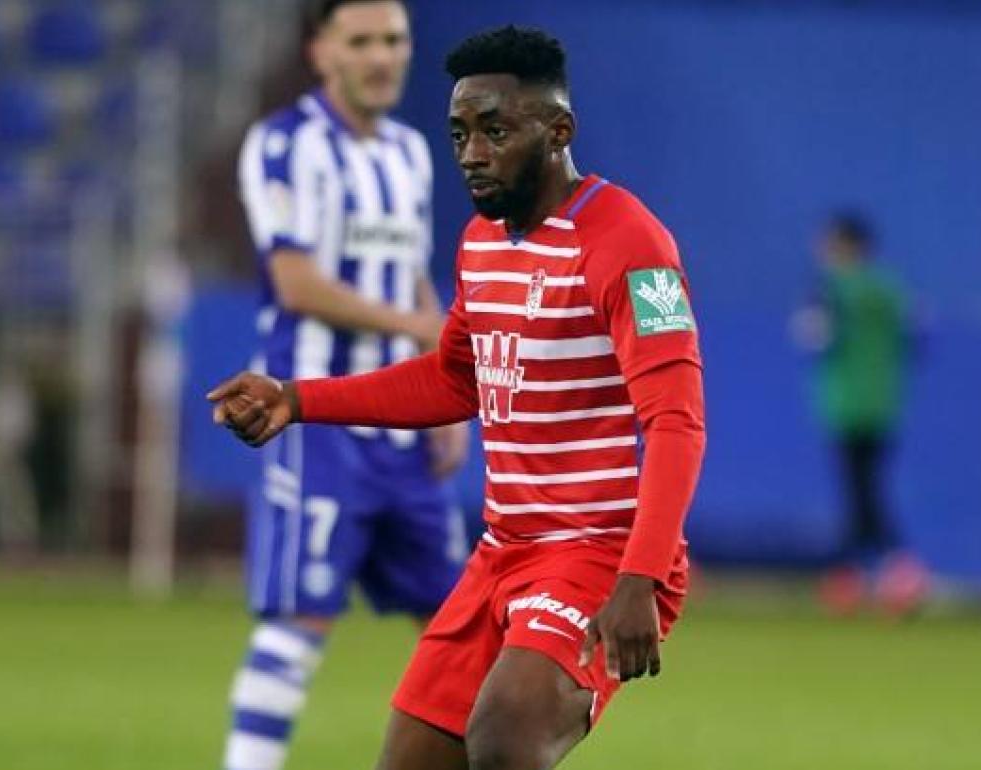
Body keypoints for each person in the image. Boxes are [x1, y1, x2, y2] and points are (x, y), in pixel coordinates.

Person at [212, 25, 707, 770]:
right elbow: (453, 379)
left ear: (558, 131)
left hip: (598, 555)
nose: (472, 153)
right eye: (460, 134)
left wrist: (641, 578)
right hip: (502, 554)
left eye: (495, 131)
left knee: (505, 739)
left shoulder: (628, 243)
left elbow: (676, 421)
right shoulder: (481, 242)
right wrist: (296, 398)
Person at [221, 2, 470, 769]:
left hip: (403, 431)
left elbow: (414, 276)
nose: (382, 56)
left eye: (394, 40)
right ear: (321, 51)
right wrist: (416, 327)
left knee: (464, 626)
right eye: (361, 41)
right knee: (298, 626)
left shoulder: (410, 153)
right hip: (316, 426)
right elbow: (295, 282)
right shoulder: (285, 144)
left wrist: (447, 394)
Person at [795, 212, 927, 616]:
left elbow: (815, 337)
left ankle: (887, 571)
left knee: (860, 491)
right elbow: (917, 340)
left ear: (845, 245)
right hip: (885, 403)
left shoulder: (831, 290)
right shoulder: (891, 289)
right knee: (866, 487)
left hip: (846, 404)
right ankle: (854, 575)